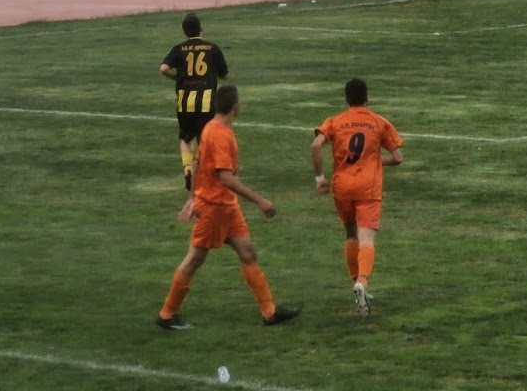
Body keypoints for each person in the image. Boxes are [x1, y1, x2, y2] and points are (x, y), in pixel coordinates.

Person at [156, 84, 300, 330]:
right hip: (214, 207)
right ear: (235, 106)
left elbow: (198, 163)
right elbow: (226, 178)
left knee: (248, 253)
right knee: (194, 259)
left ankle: (270, 312)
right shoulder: (220, 134)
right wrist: (260, 200)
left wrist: (193, 196)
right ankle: (167, 314)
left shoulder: (209, 127)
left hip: (226, 207)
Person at [311, 78, 404, 318]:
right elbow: (398, 158)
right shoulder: (378, 121)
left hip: (342, 187)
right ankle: (362, 281)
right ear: (367, 98)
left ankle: (355, 283)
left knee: (351, 234)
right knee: (367, 239)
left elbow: (316, 145)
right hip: (368, 187)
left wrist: (320, 178)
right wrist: (374, 160)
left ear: (346, 98)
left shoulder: (336, 121)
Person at [160, 12, 229, 196]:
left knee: (186, 139)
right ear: (201, 28)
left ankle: (188, 169)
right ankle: (205, 174)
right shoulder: (212, 48)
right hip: (206, 100)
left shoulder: (178, 49)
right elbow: (224, 74)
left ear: (184, 31)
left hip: (185, 101)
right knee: (205, 140)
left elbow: (163, 68)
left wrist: (177, 77)